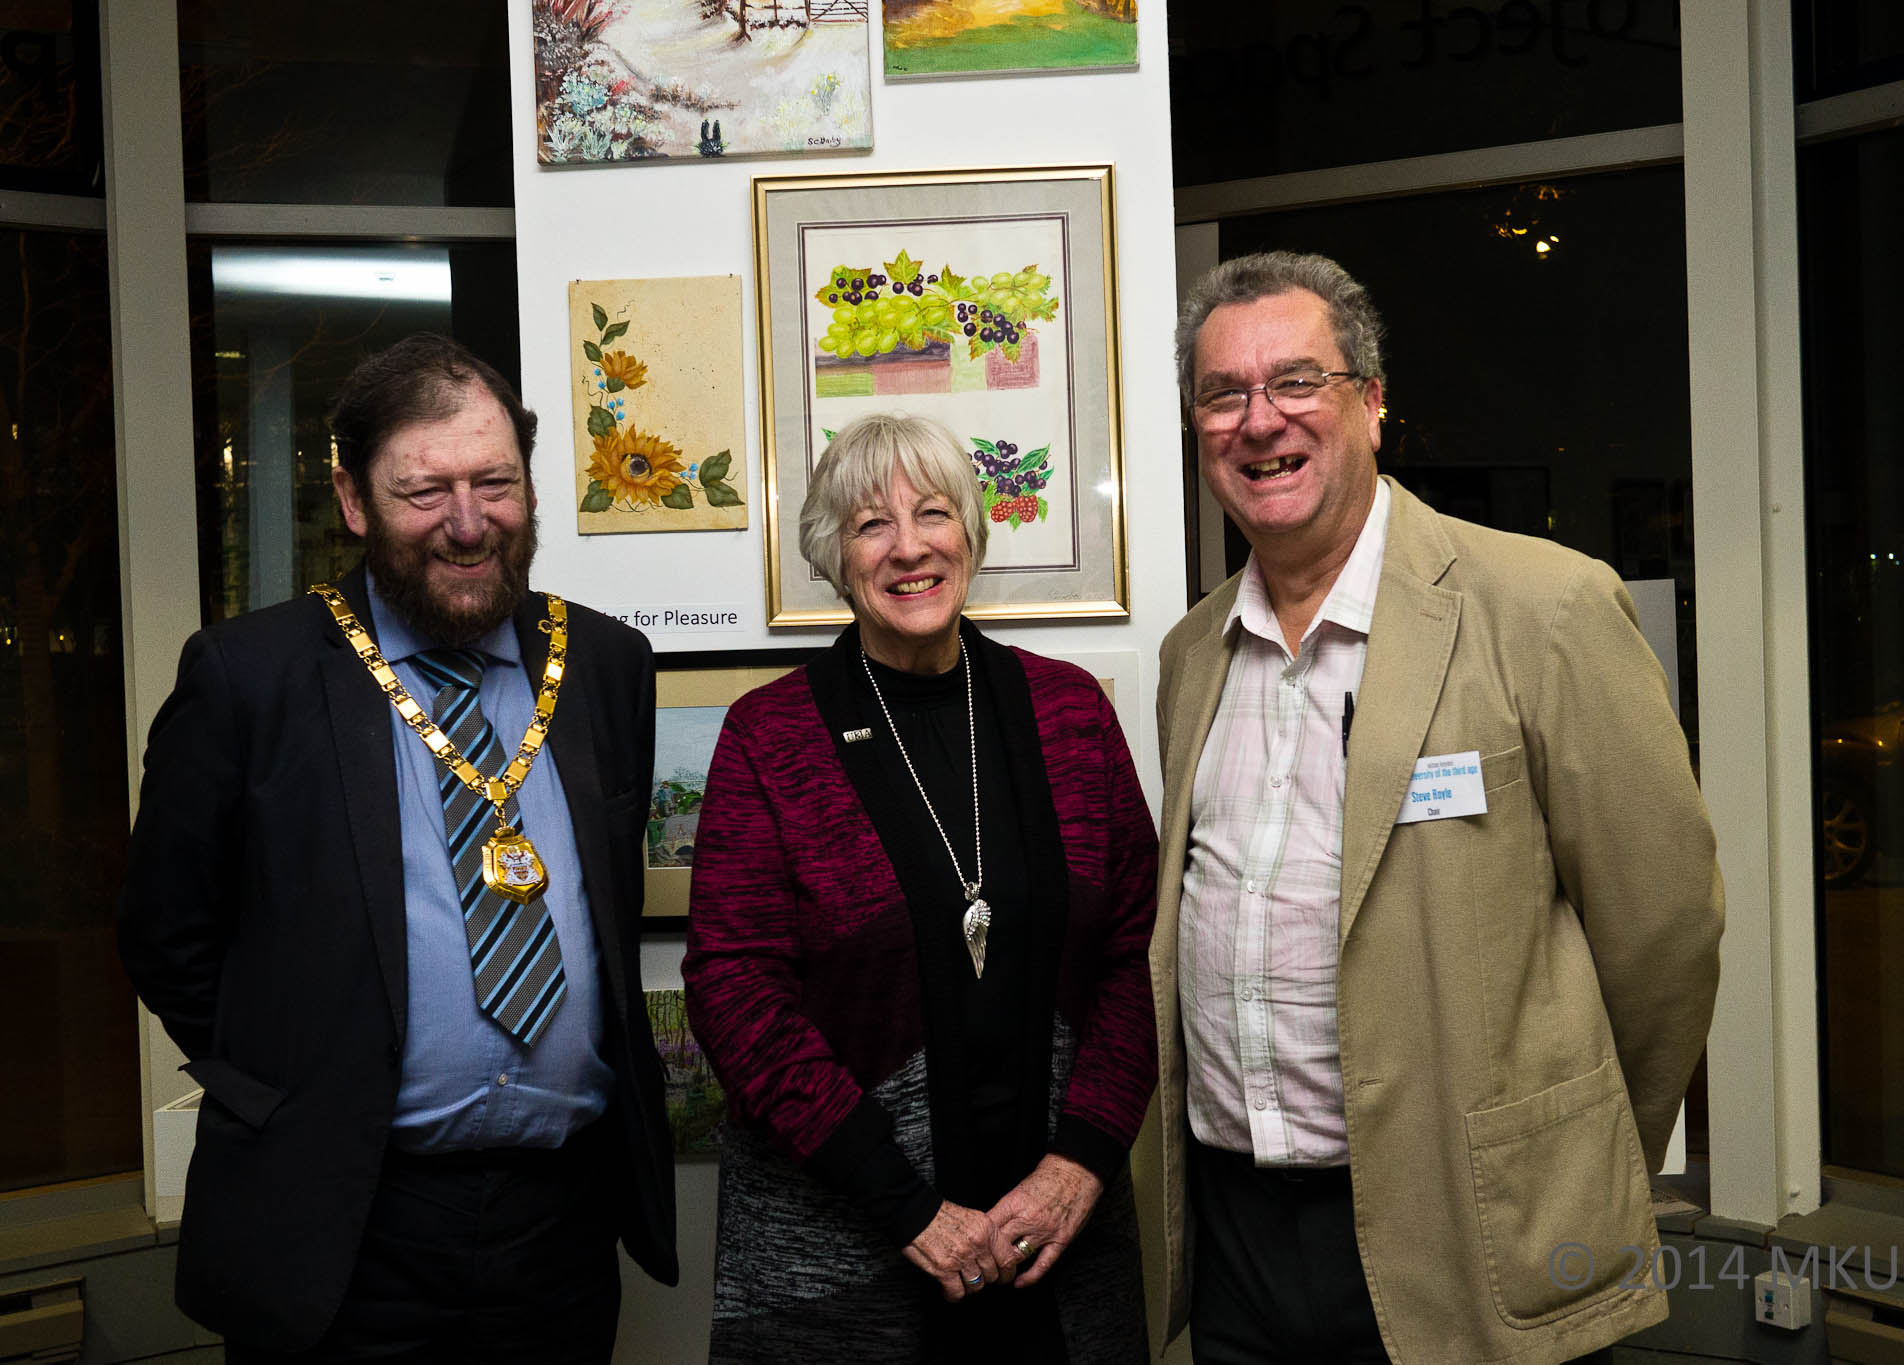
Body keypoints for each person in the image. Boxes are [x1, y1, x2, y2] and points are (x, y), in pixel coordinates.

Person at [1150, 251, 1725, 1364]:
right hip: (1235, 1242)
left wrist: (1573, 1153)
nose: (1258, 421)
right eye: (1223, 393)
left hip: (1469, 1229)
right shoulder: (1193, 652)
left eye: (1295, 382)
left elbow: (1663, 934)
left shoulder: (1541, 608)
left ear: (1370, 400)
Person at [117, 334, 678, 1362]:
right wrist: (287, 1090)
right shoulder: (252, 678)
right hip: (346, 1225)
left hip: (558, 1230)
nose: (468, 526)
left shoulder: (604, 664)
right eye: (425, 492)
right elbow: (166, 933)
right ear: (352, 499)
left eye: (495, 483)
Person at [684, 412, 1157, 1363]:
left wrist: (1081, 1164)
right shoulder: (767, 737)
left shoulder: (1071, 713)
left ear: (971, 536)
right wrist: (906, 1205)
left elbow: (1132, 960)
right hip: (843, 1255)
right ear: (831, 554)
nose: (909, 547)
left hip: (1059, 1249)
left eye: (933, 512)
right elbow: (735, 994)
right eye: (870, 525)